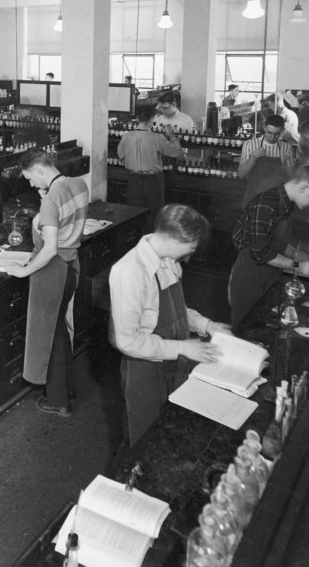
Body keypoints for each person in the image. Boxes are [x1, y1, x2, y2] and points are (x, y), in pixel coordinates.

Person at [109, 204, 230, 445]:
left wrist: (207, 325)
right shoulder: (130, 271)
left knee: (170, 430)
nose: (192, 254)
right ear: (173, 240)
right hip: (144, 369)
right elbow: (128, 340)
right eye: (191, 247)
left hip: (173, 362)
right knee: (143, 440)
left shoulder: (169, 260)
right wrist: (184, 348)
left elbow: (176, 308)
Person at [4, 148, 89, 417]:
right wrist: (45, 200)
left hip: (53, 270)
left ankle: (58, 400)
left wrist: (25, 270)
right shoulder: (77, 183)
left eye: (30, 178)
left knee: (49, 337)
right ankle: (65, 388)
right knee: (61, 330)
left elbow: (50, 248)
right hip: (72, 265)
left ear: (39, 169)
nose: (31, 184)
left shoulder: (52, 198)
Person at [229, 164, 309, 333]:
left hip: (270, 277)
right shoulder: (266, 205)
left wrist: (306, 258)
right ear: (305, 187)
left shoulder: (286, 204)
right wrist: (300, 267)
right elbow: (262, 253)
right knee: (244, 333)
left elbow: (279, 243)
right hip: (249, 279)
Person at [117, 104, 183, 232]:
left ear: (137, 117)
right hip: (153, 182)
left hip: (133, 180)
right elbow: (176, 152)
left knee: (133, 215)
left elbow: (121, 156)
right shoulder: (157, 138)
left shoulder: (126, 137)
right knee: (153, 216)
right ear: (152, 119)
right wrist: (171, 136)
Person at [238, 114, 295, 206]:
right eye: (269, 133)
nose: (272, 137)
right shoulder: (250, 145)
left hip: (276, 199)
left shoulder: (286, 149)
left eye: (276, 134)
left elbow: (291, 178)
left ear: (282, 131)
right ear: (264, 128)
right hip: (254, 196)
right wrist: (252, 158)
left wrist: (288, 167)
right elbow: (241, 174)